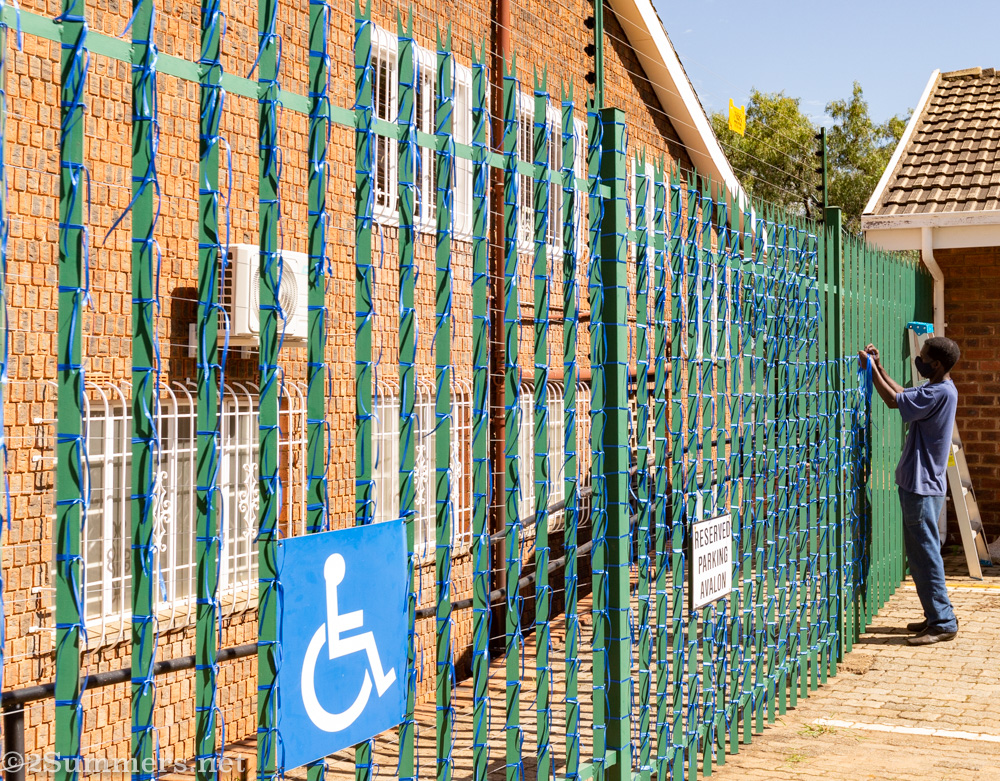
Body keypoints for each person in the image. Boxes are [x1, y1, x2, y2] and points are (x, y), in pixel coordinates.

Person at [858, 337, 961, 646]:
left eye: (924, 358)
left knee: (925, 556)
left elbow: (892, 401)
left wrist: (869, 368)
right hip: (923, 486)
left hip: (921, 487)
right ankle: (936, 615)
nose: (920, 361)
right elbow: (902, 392)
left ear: (938, 364)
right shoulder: (940, 388)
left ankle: (942, 622)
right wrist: (879, 367)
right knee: (922, 555)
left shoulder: (939, 393)